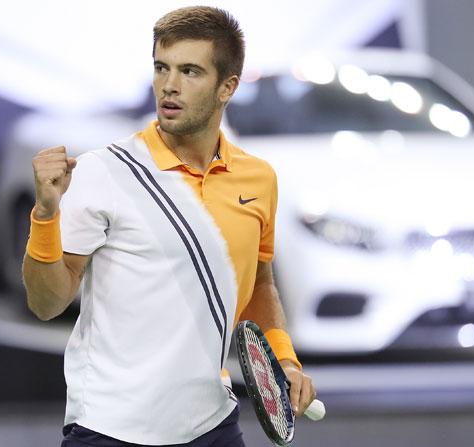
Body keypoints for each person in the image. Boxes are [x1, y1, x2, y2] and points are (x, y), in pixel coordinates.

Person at [22, 6, 316, 447]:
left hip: (211, 425)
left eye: (190, 71)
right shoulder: (104, 171)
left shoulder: (258, 179)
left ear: (227, 87)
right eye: (162, 68)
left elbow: (257, 284)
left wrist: (285, 362)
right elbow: (46, 303)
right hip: (110, 430)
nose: (170, 85)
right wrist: (45, 215)